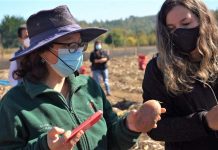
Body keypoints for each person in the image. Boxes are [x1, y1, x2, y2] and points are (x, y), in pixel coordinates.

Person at [0, 5, 165, 149]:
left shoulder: (89, 86)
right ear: (43, 51)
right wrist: (46, 147)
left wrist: (131, 126)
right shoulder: (14, 104)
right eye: (70, 45)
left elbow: (111, 140)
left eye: (80, 45)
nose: (78, 51)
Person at [142, 0, 218, 150]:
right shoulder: (159, 69)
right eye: (171, 28)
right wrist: (205, 121)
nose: (179, 32)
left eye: (186, 23)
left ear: (204, 20)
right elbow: (155, 127)